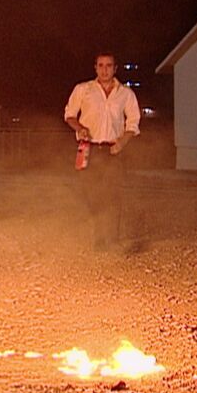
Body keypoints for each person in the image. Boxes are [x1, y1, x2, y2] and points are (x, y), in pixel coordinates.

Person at [64, 52, 140, 252]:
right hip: (88, 149)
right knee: (92, 195)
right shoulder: (83, 90)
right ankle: (99, 238)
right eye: (101, 65)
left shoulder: (126, 94)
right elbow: (69, 115)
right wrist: (79, 128)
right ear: (95, 68)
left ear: (115, 68)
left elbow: (133, 122)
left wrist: (123, 141)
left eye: (109, 65)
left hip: (113, 150)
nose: (104, 70)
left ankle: (113, 240)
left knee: (113, 195)